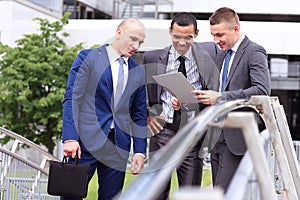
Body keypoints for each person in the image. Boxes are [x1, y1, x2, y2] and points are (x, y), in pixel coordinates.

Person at [61, 18, 147, 199]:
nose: (136, 46)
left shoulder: (138, 71)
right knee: (71, 196)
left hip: (118, 147)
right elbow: (72, 99)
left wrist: (139, 150)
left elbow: (139, 115)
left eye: (140, 42)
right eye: (132, 39)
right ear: (118, 32)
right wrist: (70, 137)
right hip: (83, 143)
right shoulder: (88, 57)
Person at [189, 7, 271, 191]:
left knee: (225, 192)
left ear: (235, 29)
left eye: (220, 35)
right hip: (216, 135)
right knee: (219, 191)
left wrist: (220, 97)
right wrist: (192, 97)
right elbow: (217, 89)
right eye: (213, 35)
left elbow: (262, 90)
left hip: (236, 138)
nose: (216, 41)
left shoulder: (254, 52)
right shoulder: (222, 55)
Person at [142, 12, 219, 200]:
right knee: (157, 192)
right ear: (170, 32)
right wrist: (149, 113)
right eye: (177, 36)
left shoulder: (211, 56)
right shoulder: (151, 58)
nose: (182, 42)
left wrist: (193, 102)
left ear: (197, 34)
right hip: (162, 132)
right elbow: (141, 94)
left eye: (188, 37)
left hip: (192, 134)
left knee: (190, 192)